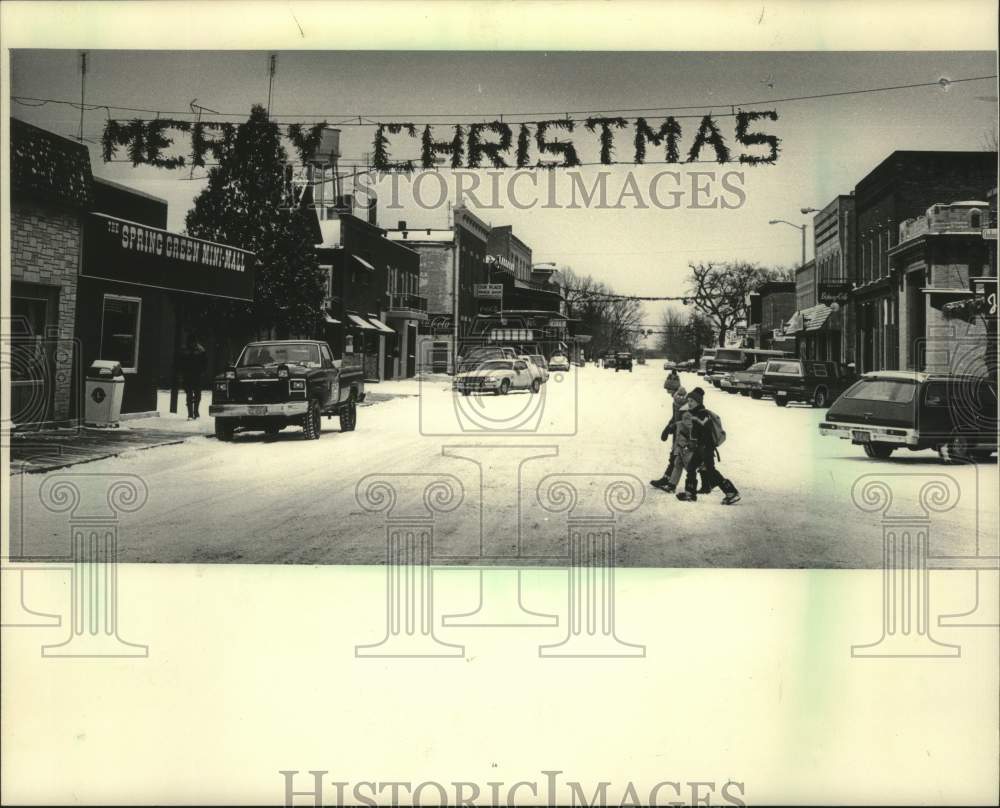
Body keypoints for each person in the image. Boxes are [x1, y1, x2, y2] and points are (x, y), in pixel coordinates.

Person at [676, 387, 741, 505]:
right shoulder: (696, 413)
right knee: (691, 467)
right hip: (700, 447)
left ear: (698, 402)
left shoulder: (702, 414)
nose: (689, 403)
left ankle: (731, 492)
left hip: (705, 448)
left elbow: (704, 431)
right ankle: (690, 493)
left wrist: (697, 444)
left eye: (692, 401)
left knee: (710, 471)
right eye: (688, 401)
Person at [178, 334, 207, 420]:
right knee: (190, 395)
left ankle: (195, 412)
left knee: (196, 395)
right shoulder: (199, 350)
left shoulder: (200, 350)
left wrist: (202, 372)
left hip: (196, 375)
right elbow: (180, 363)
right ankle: (191, 414)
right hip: (189, 376)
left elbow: (205, 363)